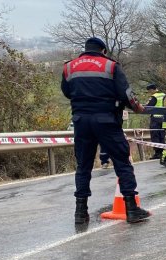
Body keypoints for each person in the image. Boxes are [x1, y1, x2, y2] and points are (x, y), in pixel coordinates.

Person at [61, 37, 150, 224]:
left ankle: (80, 213)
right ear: (103, 51)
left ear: (85, 50)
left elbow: (67, 92)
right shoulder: (110, 66)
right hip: (106, 120)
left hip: (81, 121)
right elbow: (126, 94)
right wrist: (137, 108)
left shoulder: (69, 67)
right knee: (122, 162)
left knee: (83, 166)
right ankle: (132, 210)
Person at [145, 83, 166, 160]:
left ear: (152, 90)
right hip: (164, 119)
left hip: (155, 119)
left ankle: (158, 153)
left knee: (155, 135)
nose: (149, 93)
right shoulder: (164, 95)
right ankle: (163, 151)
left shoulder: (154, 97)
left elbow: (148, 107)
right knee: (162, 136)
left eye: (149, 91)